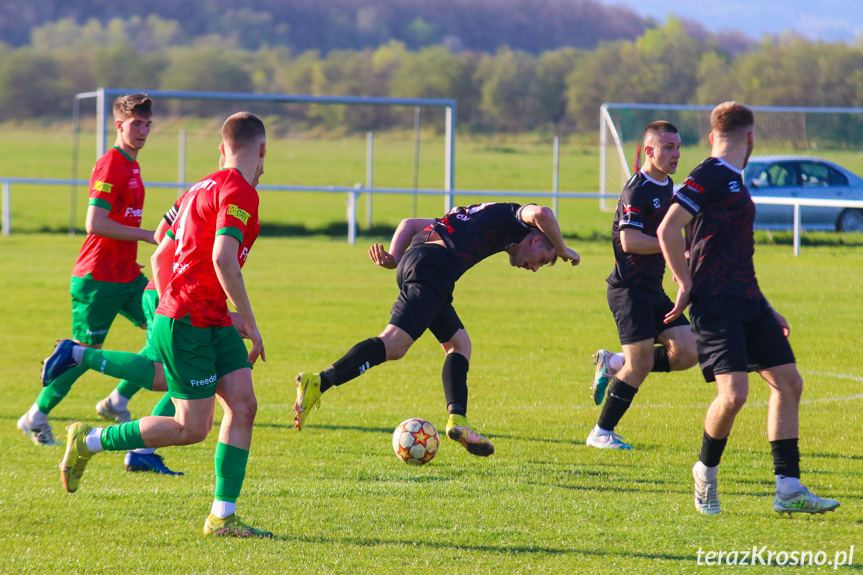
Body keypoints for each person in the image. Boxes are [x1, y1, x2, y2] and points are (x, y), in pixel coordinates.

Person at [47, 112, 273, 537]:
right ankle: (90, 441)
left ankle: (222, 517)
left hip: (207, 317)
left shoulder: (197, 188)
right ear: (261, 150)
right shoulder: (240, 190)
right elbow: (224, 257)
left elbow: (160, 257)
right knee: (191, 428)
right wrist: (247, 321)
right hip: (190, 320)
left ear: (222, 148)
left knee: (243, 406)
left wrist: (204, 307)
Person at [657, 101, 839, 516]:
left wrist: (766, 306)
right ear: (752, 138)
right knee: (735, 394)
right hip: (716, 305)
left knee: (788, 382)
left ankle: (788, 488)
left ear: (711, 135)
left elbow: (735, 254)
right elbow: (668, 227)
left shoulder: (735, 180)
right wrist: (685, 281)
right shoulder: (711, 173)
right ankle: (704, 471)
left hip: (749, 301)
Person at [293, 202, 580, 456]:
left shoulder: (479, 215)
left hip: (420, 263)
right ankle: (319, 382)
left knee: (459, 344)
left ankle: (459, 421)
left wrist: (394, 256)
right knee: (393, 344)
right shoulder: (518, 218)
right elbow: (542, 212)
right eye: (543, 259)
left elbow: (411, 225)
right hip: (434, 268)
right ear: (534, 239)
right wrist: (564, 249)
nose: (535, 268)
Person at [18, 94, 158, 447]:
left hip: (126, 275)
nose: (142, 131)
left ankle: (117, 401)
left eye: (147, 124)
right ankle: (35, 416)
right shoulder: (112, 164)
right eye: (136, 124)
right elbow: (94, 223)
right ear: (119, 125)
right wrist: (148, 235)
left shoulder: (133, 164)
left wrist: (133, 250)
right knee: (82, 354)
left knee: (166, 336)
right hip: (97, 279)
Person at [587, 121, 698, 450]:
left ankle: (613, 362)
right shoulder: (637, 189)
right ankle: (601, 433)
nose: (676, 154)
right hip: (628, 291)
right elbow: (630, 240)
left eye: (678, 147)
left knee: (688, 351)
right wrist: (672, 246)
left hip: (652, 289)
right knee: (642, 363)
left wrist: (679, 268)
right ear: (649, 151)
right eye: (668, 148)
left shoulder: (667, 185)